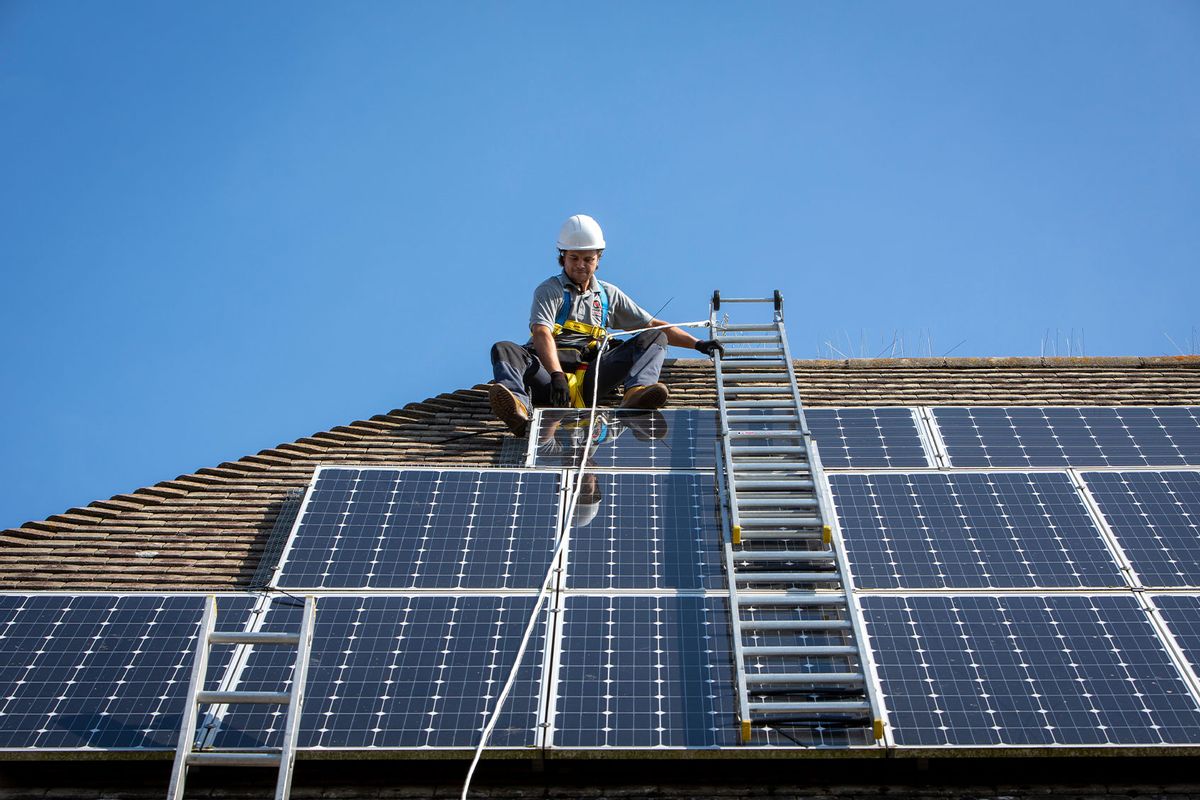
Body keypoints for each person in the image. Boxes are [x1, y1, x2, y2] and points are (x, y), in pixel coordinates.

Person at [488, 214, 723, 436]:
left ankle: (636, 394)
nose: (581, 265)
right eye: (574, 258)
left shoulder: (608, 296)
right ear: (563, 256)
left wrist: (698, 344)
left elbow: (653, 324)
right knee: (504, 349)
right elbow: (541, 332)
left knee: (654, 336)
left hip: (592, 375)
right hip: (549, 379)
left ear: (598, 258)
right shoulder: (550, 290)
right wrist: (557, 374)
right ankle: (517, 407)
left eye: (588, 259)